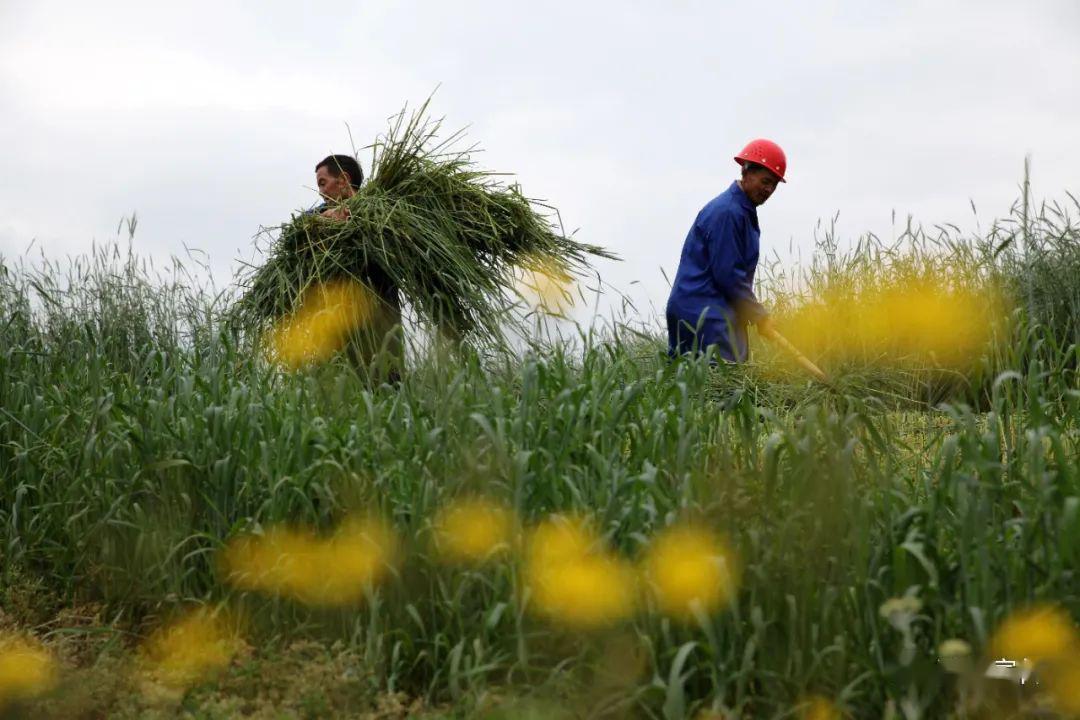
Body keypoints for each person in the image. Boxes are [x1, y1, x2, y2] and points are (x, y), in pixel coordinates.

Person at [665, 139, 786, 363]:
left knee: (691, 391)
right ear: (746, 171)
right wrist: (759, 316)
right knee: (724, 390)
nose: (769, 190)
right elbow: (728, 275)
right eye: (766, 181)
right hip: (704, 314)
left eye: (774, 185)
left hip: (699, 309)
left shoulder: (741, 211)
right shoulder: (729, 212)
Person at [309, 154, 404, 381]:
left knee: (388, 388)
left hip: (382, 320)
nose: (321, 192)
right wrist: (329, 215)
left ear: (343, 179)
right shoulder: (319, 215)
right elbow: (304, 222)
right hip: (337, 322)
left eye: (323, 183)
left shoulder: (382, 210)